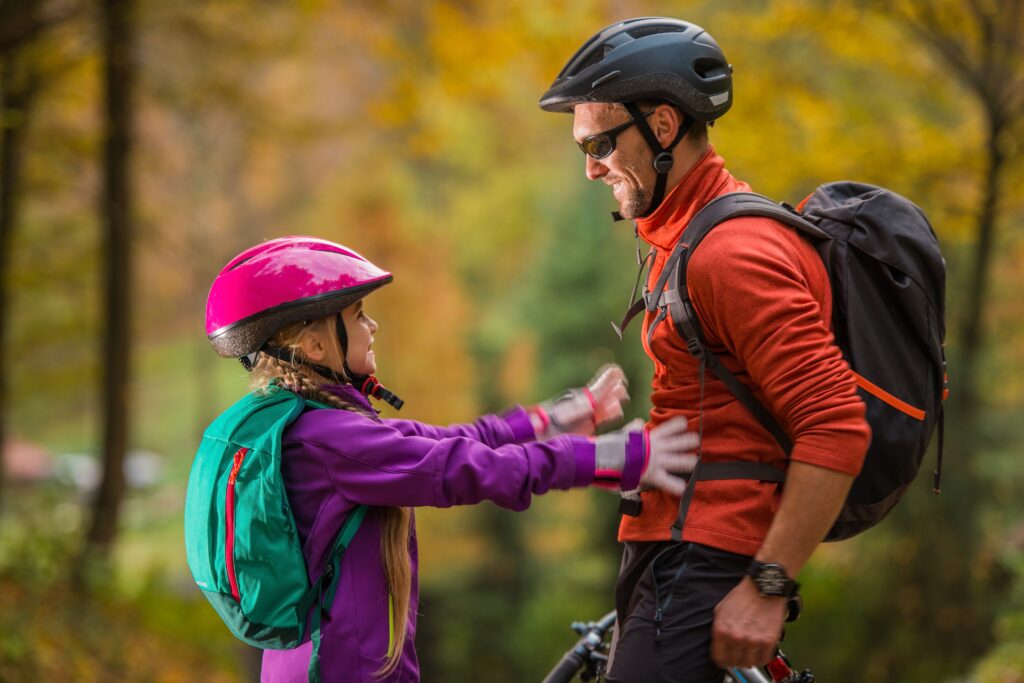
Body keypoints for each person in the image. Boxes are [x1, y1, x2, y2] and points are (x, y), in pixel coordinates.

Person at [202, 236, 701, 683]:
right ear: (313, 342)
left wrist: (549, 420)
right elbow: (459, 468)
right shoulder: (328, 439)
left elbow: (444, 442)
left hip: (308, 663)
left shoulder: (304, 425)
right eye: (357, 316)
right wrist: (608, 457)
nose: (372, 326)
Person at [539, 17, 872, 682]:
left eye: (600, 142)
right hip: (676, 552)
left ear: (663, 126)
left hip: (707, 562)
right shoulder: (688, 233)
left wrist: (768, 584)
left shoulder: (733, 252)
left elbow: (836, 424)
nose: (589, 168)